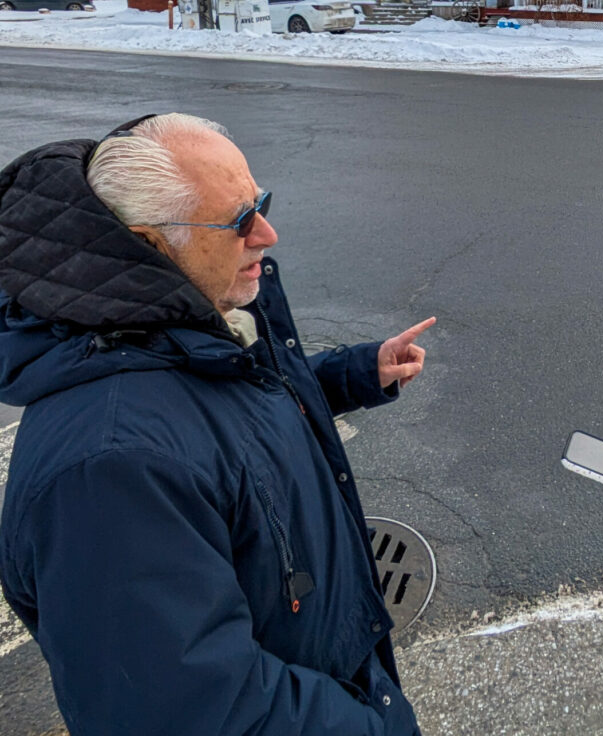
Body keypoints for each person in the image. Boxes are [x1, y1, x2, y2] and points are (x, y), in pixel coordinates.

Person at [0, 113, 435, 735]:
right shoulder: (110, 465)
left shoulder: (173, 325)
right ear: (149, 246)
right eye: (238, 220)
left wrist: (355, 373)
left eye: (260, 202)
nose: (269, 232)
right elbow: (196, 712)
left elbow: (235, 419)